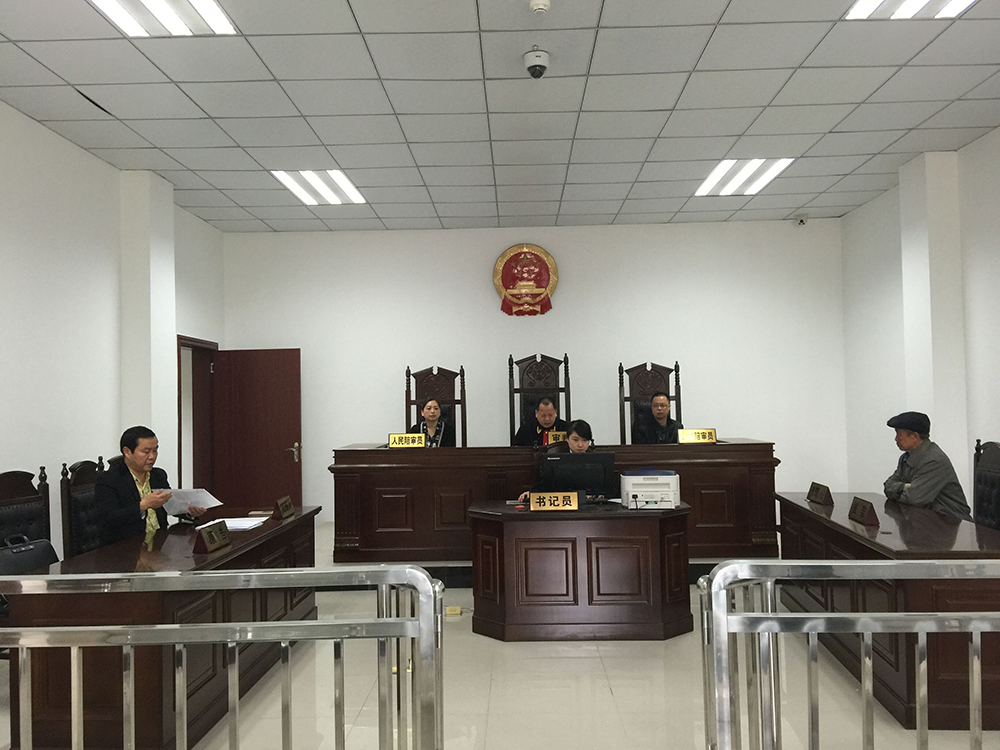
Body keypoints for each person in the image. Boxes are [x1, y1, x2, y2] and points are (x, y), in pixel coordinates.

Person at [95, 426, 207, 545]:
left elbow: (170, 505)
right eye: (146, 452)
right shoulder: (109, 480)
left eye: (155, 450)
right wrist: (143, 505)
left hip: (159, 543)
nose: (152, 457)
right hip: (127, 546)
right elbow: (108, 519)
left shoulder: (158, 475)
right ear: (127, 452)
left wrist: (189, 511)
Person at [883, 411, 972, 521]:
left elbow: (914, 498)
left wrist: (899, 490)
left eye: (899, 434)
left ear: (914, 436)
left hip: (952, 523)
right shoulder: (906, 458)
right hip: (926, 519)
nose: (896, 439)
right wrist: (904, 487)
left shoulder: (934, 461)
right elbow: (888, 486)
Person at [518, 420, 594, 501]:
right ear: (567, 439)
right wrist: (532, 493)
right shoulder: (555, 458)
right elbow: (545, 483)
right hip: (561, 500)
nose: (580, 445)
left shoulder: (594, 459)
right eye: (575, 440)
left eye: (584, 440)